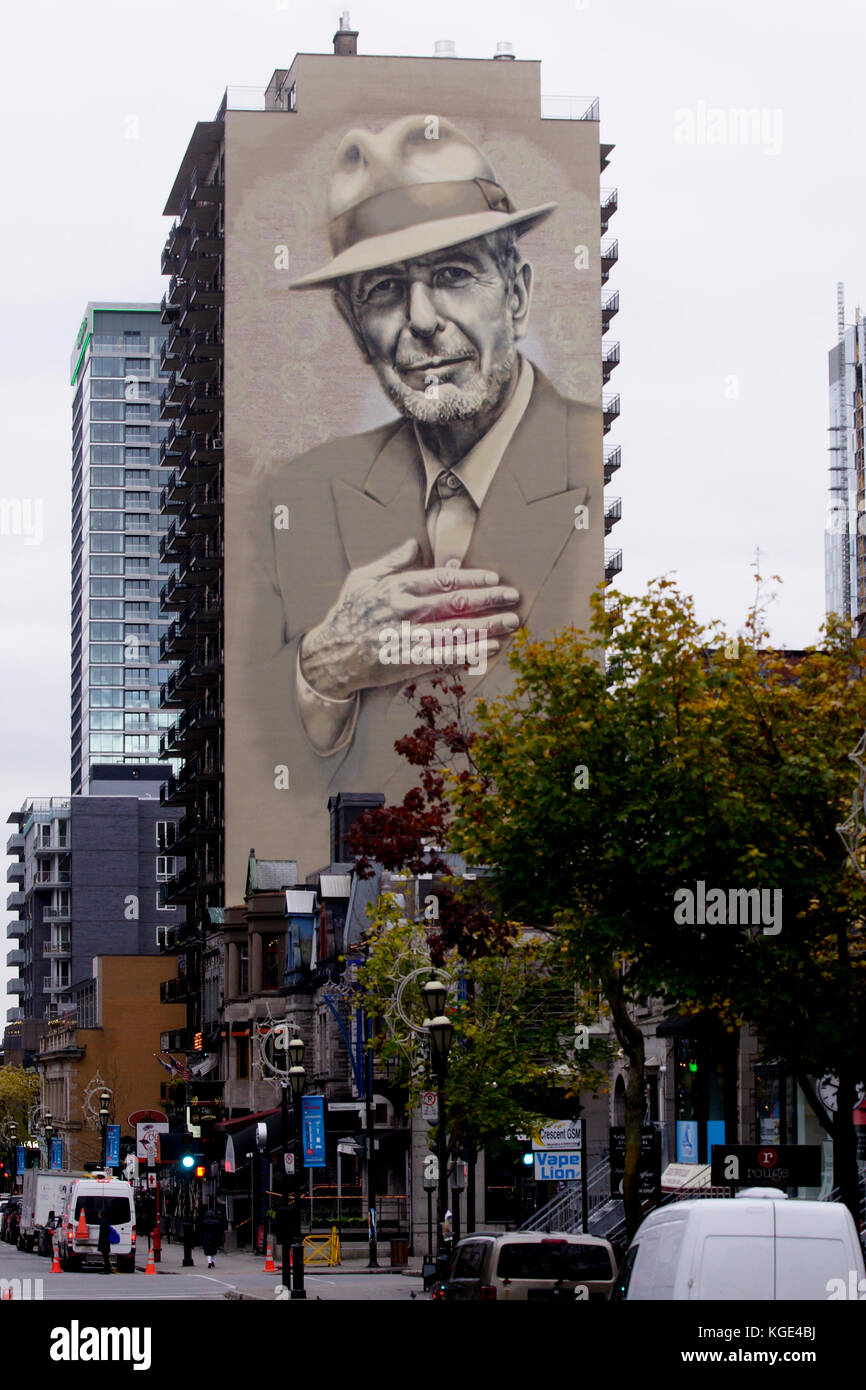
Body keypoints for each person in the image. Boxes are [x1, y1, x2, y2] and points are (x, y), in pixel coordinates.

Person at [247, 113, 600, 849]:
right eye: (383, 291)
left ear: (519, 293)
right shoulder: (298, 497)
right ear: (353, 325)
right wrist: (324, 669)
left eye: (452, 275)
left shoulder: (585, 459)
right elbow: (264, 751)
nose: (421, 320)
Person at [97, 1208, 113, 1274]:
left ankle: (107, 1269)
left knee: (105, 1256)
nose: (98, 1215)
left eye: (99, 1214)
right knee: (105, 1256)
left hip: (104, 1242)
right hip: (106, 1242)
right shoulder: (106, 1221)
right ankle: (106, 1268)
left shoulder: (103, 1222)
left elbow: (103, 1233)